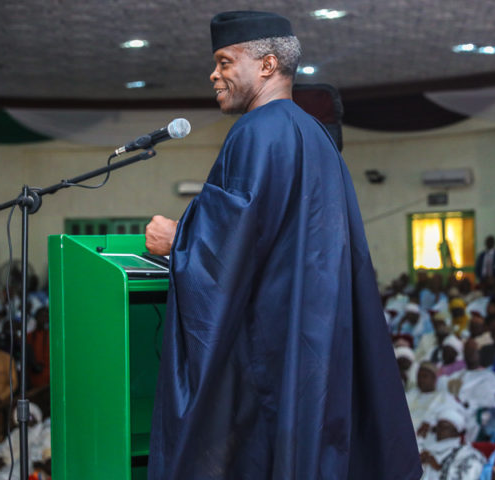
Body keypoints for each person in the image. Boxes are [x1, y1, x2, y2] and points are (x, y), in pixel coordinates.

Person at [143, 11, 420, 479]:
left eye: (225, 61)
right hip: (314, 342)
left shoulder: (256, 133)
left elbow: (230, 250)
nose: (214, 74)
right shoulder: (316, 135)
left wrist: (177, 240)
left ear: (267, 65)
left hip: (272, 355)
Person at [442, 339, 495, 441]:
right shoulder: (456, 376)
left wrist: (474, 403)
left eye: (473, 351)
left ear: (479, 353)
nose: (470, 354)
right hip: (452, 411)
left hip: (474, 415)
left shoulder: (490, 377)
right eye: (467, 351)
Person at [419, 404, 486, 480]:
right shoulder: (428, 445)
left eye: (445, 427)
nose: (440, 430)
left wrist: (438, 469)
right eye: (439, 426)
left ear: (456, 431)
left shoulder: (469, 455)